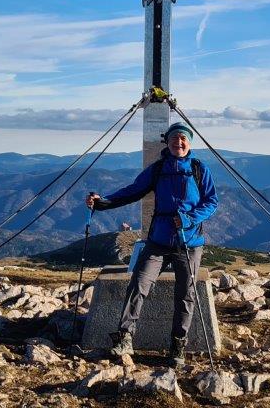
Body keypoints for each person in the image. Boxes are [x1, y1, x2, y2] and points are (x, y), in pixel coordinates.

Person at [85, 121, 217, 368]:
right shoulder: (158, 169)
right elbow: (133, 191)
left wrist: (189, 218)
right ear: (167, 142)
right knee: (139, 284)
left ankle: (178, 345)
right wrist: (102, 202)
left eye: (183, 139)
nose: (178, 142)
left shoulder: (200, 168)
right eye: (174, 139)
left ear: (189, 142)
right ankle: (125, 337)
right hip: (158, 240)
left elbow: (211, 202)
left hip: (189, 243)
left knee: (186, 295)